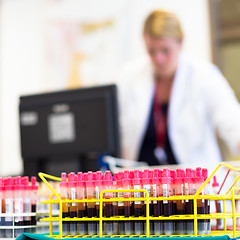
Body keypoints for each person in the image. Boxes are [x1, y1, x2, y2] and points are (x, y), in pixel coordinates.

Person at [117, 9, 240, 166]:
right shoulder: (130, 77)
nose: (158, 59)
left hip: (195, 186)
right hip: (144, 185)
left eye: (165, 50)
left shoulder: (204, 76)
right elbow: (115, 132)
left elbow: (233, 122)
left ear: (180, 42)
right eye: (151, 51)